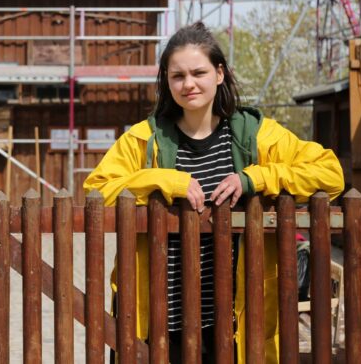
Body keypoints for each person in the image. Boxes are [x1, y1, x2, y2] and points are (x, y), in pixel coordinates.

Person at [83, 22, 344, 364]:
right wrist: (162, 180)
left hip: (238, 318)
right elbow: (97, 191)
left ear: (219, 73)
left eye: (198, 72)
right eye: (177, 76)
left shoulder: (256, 135)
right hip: (159, 315)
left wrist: (256, 177)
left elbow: (330, 174)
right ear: (166, 81)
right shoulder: (144, 139)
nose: (188, 84)